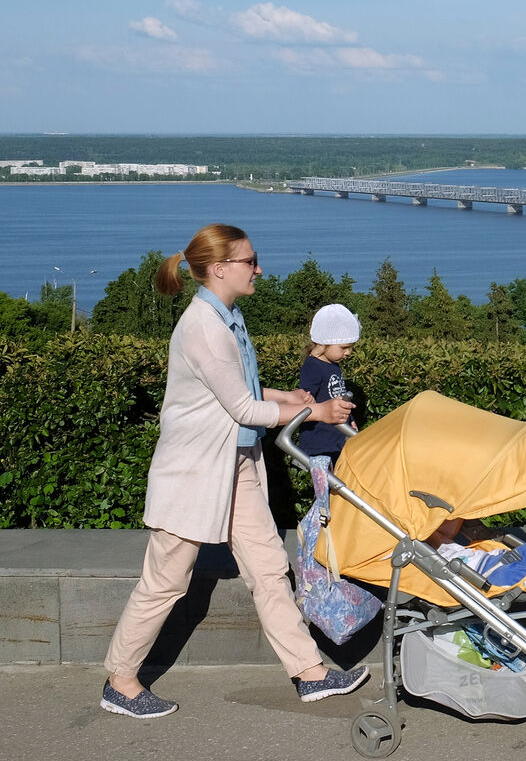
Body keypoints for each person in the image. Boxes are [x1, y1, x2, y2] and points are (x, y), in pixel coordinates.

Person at [101, 223, 369, 719]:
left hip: (236, 465)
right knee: (165, 582)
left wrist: (285, 397)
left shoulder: (228, 316)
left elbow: (240, 389)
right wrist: (314, 412)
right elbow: (242, 410)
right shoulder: (202, 326)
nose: (259, 269)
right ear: (220, 268)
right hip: (194, 474)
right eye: (251, 261)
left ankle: (309, 673)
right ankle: (120, 680)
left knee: (269, 569)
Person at [296, 304, 360, 467]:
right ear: (325, 342)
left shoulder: (333, 365)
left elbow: (338, 396)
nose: (348, 353)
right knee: (324, 488)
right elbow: (306, 402)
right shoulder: (312, 367)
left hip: (337, 438)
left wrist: (350, 420)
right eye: (344, 347)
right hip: (319, 443)